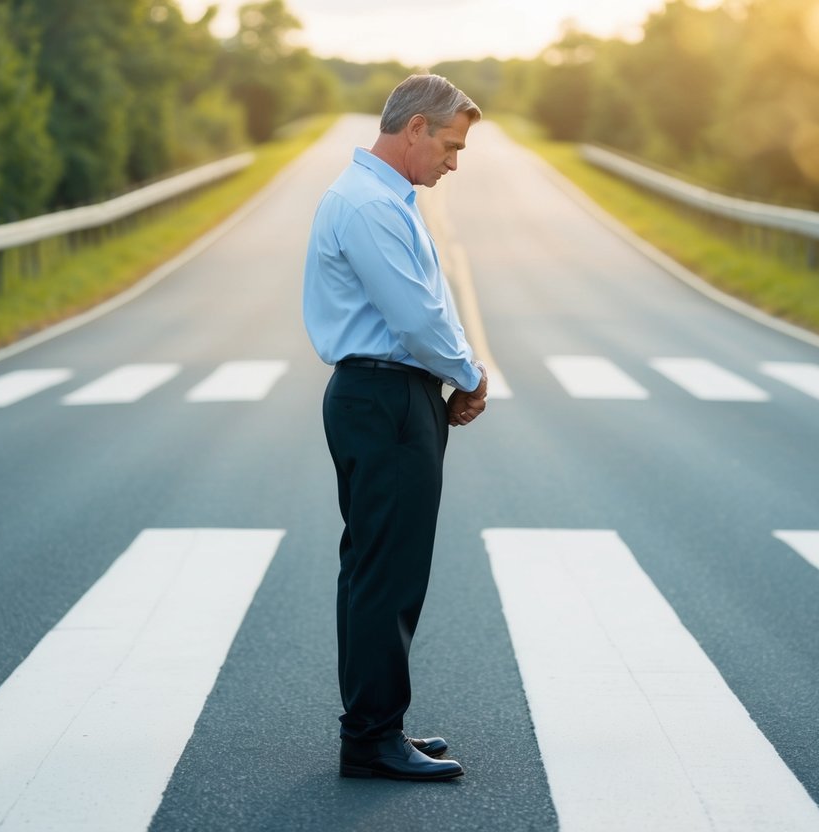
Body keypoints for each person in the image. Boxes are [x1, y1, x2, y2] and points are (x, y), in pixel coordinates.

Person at [302, 74, 488, 782]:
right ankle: (372, 738)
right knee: (388, 574)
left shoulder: (376, 198)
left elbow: (420, 310)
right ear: (413, 128)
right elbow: (415, 318)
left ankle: (375, 726)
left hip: (381, 396)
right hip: (384, 398)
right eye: (450, 144)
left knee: (375, 568)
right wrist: (468, 375)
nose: (452, 161)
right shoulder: (370, 206)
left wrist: (457, 372)